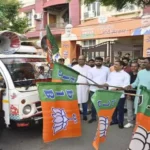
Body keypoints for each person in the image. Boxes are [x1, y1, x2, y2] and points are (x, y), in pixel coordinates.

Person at [103, 61, 130, 129]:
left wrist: (117, 89)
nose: (114, 66)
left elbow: (126, 86)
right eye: (114, 64)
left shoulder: (126, 75)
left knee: (120, 109)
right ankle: (114, 120)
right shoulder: (112, 73)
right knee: (113, 108)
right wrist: (104, 84)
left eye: (116, 65)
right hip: (111, 94)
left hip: (120, 95)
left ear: (121, 66)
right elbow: (108, 82)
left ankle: (121, 122)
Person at [88, 57, 110, 123]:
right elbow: (89, 80)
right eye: (97, 61)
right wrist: (96, 85)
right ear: (95, 62)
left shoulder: (107, 69)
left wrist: (105, 84)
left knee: (103, 104)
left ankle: (102, 118)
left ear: (102, 62)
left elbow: (109, 78)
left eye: (99, 61)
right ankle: (93, 117)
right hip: (93, 89)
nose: (98, 62)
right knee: (94, 104)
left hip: (103, 89)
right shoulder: (91, 70)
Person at [72, 55, 91, 121]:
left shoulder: (88, 68)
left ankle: (85, 115)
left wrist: (89, 87)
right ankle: (77, 115)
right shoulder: (74, 67)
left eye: (82, 59)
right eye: (79, 59)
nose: (80, 60)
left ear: (85, 60)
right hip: (76, 86)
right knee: (76, 102)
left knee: (84, 101)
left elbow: (90, 78)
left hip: (85, 87)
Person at [124, 62, 139, 128]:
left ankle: (138, 122)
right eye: (132, 66)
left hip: (138, 95)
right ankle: (130, 122)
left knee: (138, 109)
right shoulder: (128, 75)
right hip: (129, 93)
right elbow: (126, 84)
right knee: (129, 109)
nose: (133, 67)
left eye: (135, 66)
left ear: (138, 67)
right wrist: (128, 94)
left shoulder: (140, 74)